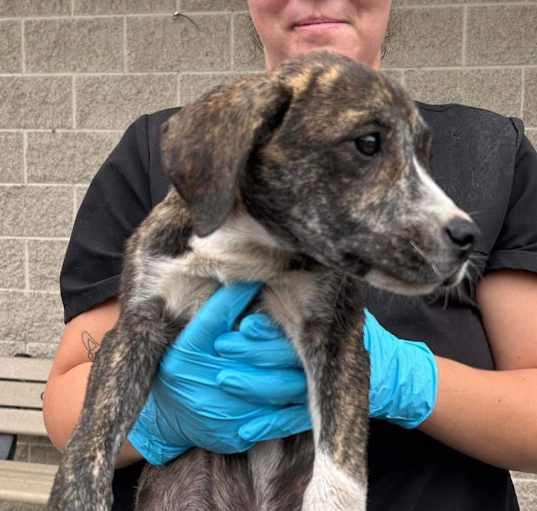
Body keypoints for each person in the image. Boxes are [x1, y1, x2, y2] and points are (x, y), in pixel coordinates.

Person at [43, 1, 537, 510]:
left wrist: (407, 379)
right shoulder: (160, 153)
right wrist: (158, 417)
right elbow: (66, 406)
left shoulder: (493, 151)